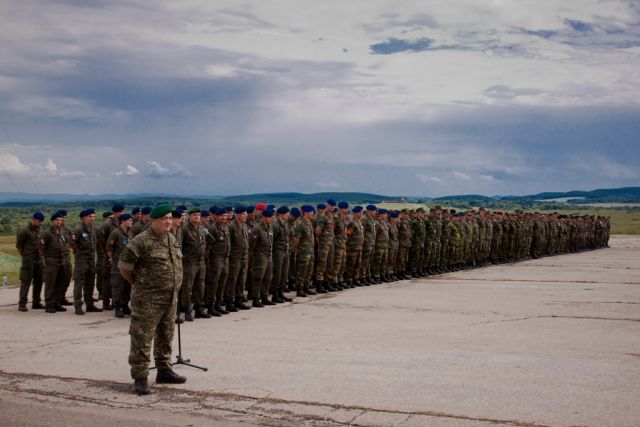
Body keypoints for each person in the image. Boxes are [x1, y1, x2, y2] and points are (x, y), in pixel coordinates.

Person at [118, 203, 186, 396]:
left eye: (170, 218)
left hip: (169, 298)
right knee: (142, 338)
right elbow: (124, 267)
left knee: (166, 335)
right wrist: (140, 284)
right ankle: (140, 377)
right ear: (153, 220)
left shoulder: (170, 238)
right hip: (147, 300)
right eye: (164, 218)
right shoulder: (141, 241)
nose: (168, 221)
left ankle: (164, 370)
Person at [71, 208, 102, 315]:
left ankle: (90, 305)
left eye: (93, 217)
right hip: (81, 260)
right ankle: (78, 306)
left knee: (90, 283)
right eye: (90, 216)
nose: (92, 218)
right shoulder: (79, 229)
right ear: (84, 217)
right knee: (79, 283)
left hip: (91, 260)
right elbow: (71, 241)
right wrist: (76, 250)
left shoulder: (93, 229)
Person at [40, 212, 71, 313]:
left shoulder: (62, 231)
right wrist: (48, 257)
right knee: (50, 284)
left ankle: (57, 303)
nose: (59, 222)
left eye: (60, 220)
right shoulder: (47, 233)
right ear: (52, 221)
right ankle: (49, 304)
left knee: (60, 283)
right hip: (52, 261)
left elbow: (66, 243)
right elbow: (41, 249)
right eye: (57, 220)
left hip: (62, 261)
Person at [16, 212, 45, 311]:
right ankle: (22, 304)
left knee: (39, 281)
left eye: (41, 221)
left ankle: (36, 302)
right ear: (33, 219)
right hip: (29, 260)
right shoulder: (24, 231)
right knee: (26, 281)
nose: (40, 223)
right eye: (39, 221)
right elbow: (19, 246)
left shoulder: (41, 229)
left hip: (39, 259)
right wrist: (25, 256)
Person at [108, 212, 134, 318]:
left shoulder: (130, 233)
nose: (131, 222)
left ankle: (125, 306)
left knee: (127, 286)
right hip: (118, 265)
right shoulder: (116, 233)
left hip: (127, 265)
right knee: (118, 287)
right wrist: (112, 259)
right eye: (130, 220)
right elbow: (110, 249)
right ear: (123, 221)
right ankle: (117, 307)